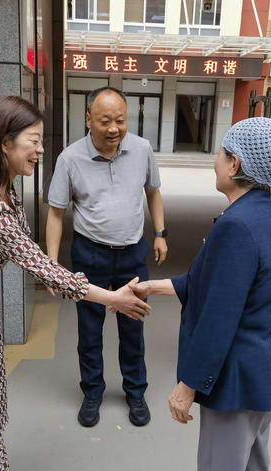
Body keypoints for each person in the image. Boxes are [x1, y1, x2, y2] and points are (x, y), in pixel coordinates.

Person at [0, 96, 150, 471]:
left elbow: (38, 262)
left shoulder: (2, 188)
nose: (42, 150)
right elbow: (39, 264)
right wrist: (112, 297)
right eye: (34, 140)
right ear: (4, 142)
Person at [130, 117, 271, 471]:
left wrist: (187, 385)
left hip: (238, 380)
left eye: (221, 152)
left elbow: (220, 316)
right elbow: (223, 282)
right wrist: (154, 286)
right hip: (264, 373)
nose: (216, 159)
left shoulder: (235, 226)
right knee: (254, 469)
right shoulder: (264, 212)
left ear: (234, 164)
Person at [46, 86, 167, 427]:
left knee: (133, 326)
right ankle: (93, 392)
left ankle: (135, 391)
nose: (114, 129)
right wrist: (52, 263)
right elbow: (56, 212)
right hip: (90, 255)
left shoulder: (142, 149)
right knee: (89, 329)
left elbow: (153, 192)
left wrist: (160, 233)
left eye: (120, 120)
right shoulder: (70, 158)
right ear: (88, 119)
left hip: (132, 254)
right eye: (104, 121)